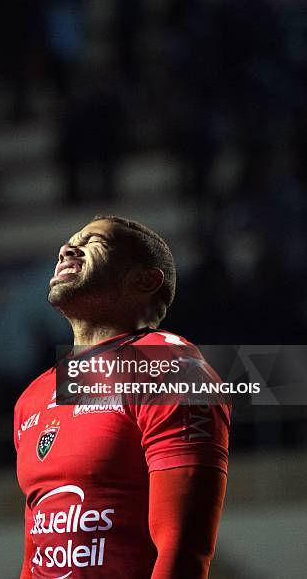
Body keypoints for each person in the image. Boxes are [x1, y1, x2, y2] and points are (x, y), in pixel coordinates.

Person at [14, 215, 230, 578]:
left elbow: (183, 550)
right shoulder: (32, 397)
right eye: (68, 242)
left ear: (144, 279)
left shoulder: (169, 368)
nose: (67, 249)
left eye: (93, 242)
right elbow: (36, 557)